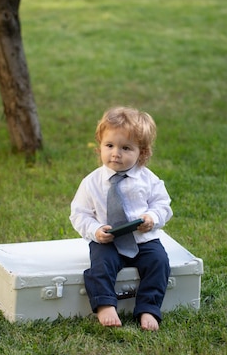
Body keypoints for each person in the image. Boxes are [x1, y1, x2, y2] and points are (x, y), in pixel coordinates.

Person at [70, 106, 173, 331]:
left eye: (126, 148)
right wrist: (95, 230)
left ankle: (148, 308)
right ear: (100, 148)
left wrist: (152, 218)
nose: (116, 153)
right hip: (109, 242)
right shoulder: (92, 182)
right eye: (109, 146)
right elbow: (79, 214)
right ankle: (105, 304)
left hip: (142, 240)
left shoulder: (148, 180)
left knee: (159, 263)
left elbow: (162, 205)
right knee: (100, 266)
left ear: (142, 153)